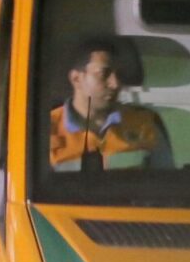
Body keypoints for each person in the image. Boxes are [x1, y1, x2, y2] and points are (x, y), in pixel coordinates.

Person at [48, 38, 175, 171]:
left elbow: (167, 180)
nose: (115, 84)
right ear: (76, 79)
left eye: (119, 74)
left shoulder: (145, 123)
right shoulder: (46, 129)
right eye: (104, 74)